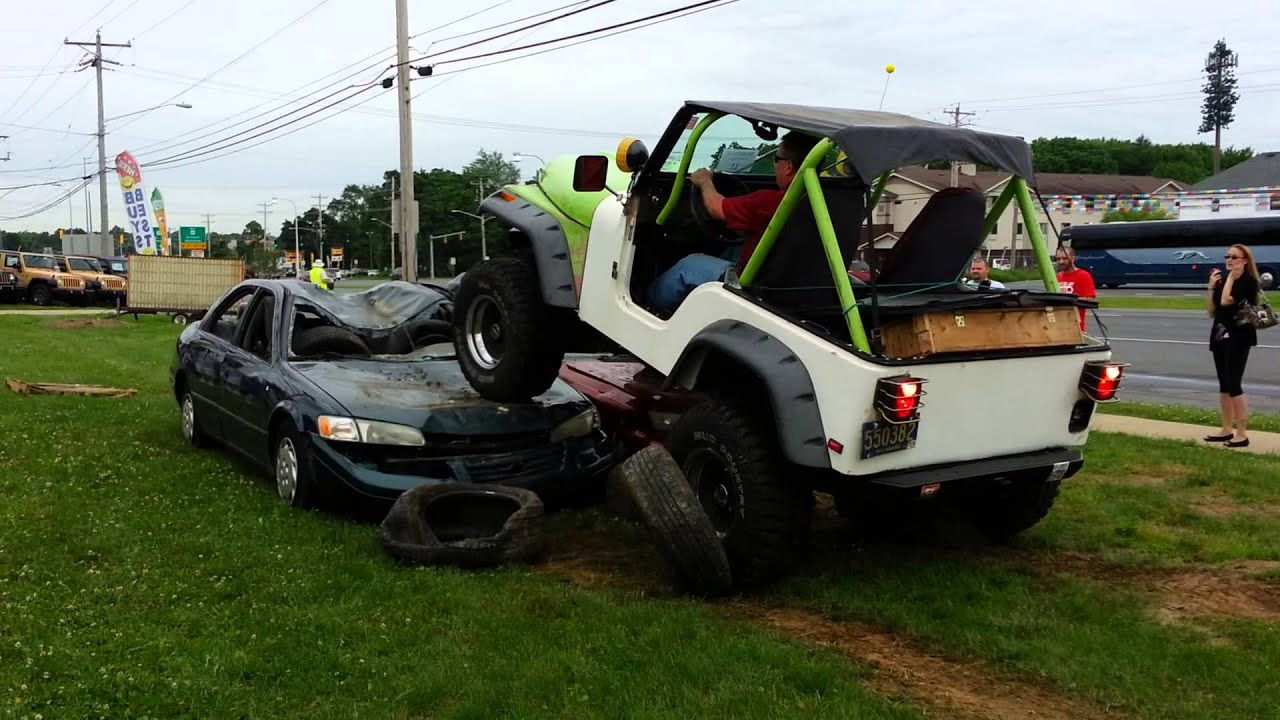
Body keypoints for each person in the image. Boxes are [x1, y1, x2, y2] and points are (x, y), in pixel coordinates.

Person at [647, 131, 821, 312]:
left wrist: (705, 181)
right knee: (734, 249)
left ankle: (650, 308)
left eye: (776, 159)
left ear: (788, 167)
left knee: (689, 265)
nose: (774, 164)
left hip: (757, 285)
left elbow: (716, 208)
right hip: (800, 279)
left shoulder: (772, 202)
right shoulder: (824, 201)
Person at [1204, 244, 1261, 448]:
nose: (1229, 260)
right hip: (1219, 334)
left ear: (1245, 260)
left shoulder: (1248, 282)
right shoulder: (1222, 281)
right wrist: (1211, 286)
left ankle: (1242, 433)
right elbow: (1212, 311)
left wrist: (1229, 279)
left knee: (1234, 383)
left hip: (1239, 336)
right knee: (1224, 384)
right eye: (1227, 256)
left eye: (1235, 257)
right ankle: (1226, 429)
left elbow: (1228, 301)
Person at [1055, 246, 1096, 331]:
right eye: (1058, 259)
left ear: (1073, 259)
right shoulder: (1056, 277)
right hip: (1058, 326)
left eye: (1064, 258)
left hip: (1076, 327)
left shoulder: (1083, 275)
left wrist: (1069, 300)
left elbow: (1090, 299)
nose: (1061, 261)